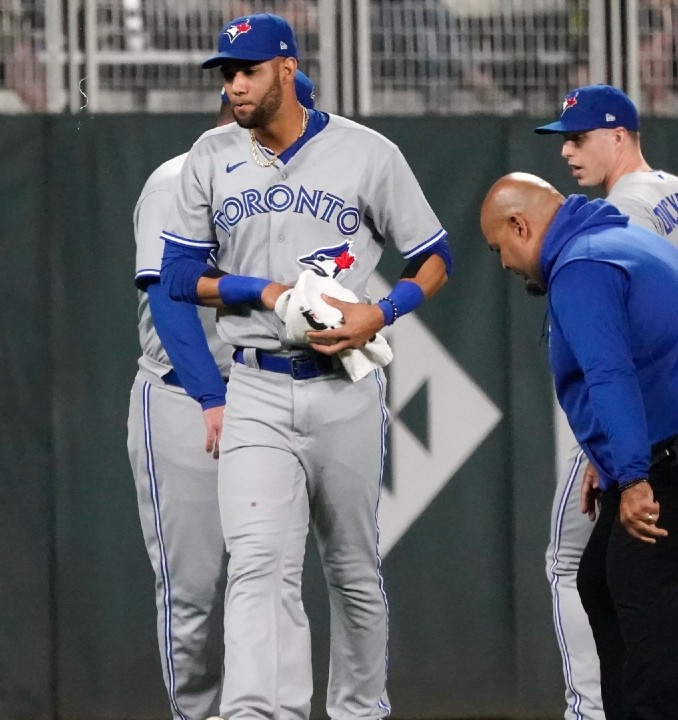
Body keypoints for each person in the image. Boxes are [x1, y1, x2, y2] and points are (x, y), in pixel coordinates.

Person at [158, 13, 451, 720]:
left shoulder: (366, 153)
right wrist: (258, 290)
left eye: (247, 70)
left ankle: (359, 711)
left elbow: (436, 256)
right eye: (226, 72)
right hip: (255, 381)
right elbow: (177, 277)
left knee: (352, 572)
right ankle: (259, 714)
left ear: (287, 69)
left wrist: (382, 313)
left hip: (345, 388)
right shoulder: (210, 155)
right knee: (259, 566)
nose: (234, 85)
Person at [478, 172, 678, 720]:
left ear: (521, 225)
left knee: (641, 584)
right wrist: (610, 458)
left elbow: (610, 374)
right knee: (600, 580)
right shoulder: (620, 241)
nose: (503, 263)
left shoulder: (580, 267)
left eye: (500, 248)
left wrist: (634, 478)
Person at [127, 71, 318, 720]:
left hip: (264, 397)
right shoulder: (177, 180)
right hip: (184, 399)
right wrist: (213, 399)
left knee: (267, 582)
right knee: (193, 596)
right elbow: (168, 297)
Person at [534, 83, 678, 720]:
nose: (567, 152)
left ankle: (591, 710)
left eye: (579, 137)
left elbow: (628, 336)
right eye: (563, 139)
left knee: (569, 563)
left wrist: (615, 449)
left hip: (641, 417)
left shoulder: (628, 208)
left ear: (619, 136)